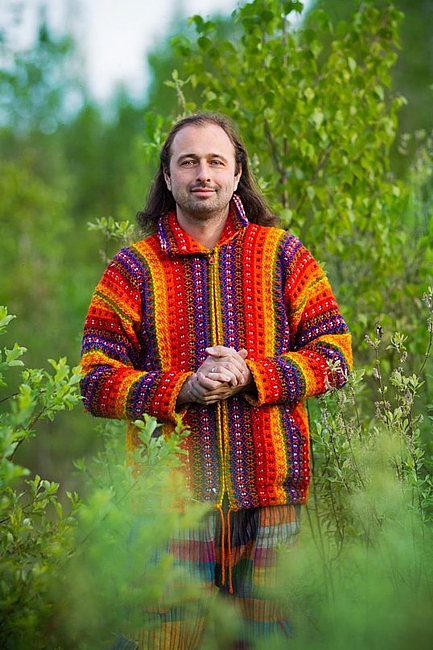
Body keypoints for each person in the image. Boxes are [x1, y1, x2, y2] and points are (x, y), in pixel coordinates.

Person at [80, 112, 353, 649]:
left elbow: (336, 357)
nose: (202, 173)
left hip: (272, 498)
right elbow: (95, 381)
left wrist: (253, 374)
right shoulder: (132, 269)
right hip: (168, 504)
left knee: (266, 640)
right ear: (167, 176)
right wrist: (182, 389)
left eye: (215, 161)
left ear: (236, 173)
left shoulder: (282, 254)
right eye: (188, 162)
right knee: (161, 638)